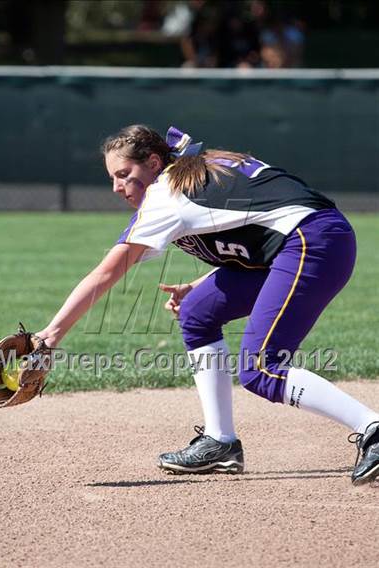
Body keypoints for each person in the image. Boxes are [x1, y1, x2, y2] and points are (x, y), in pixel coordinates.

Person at [36, 125, 379, 485]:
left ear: (153, 162)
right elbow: (258, 227)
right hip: (307, 241)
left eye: (124, 174)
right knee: (198, 311)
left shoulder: (166, 194)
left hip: (313, 244)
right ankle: (220, 442)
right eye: (112, 178)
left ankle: (372, 427)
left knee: (260, 369)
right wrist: (199, 285)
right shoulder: (196, 169)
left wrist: (49, 337)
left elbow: (107, 272)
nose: (117, 187)